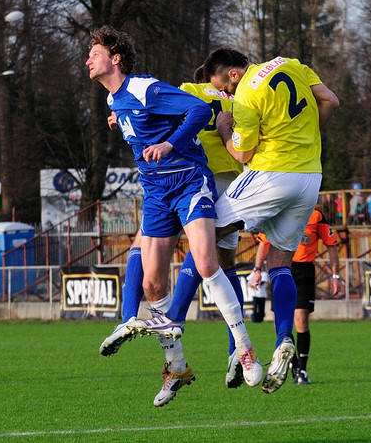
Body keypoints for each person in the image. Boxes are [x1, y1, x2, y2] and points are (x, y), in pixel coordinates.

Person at [86, 27, 262, 405]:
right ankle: (177, 365)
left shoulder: (144, 87)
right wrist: (121, 119)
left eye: (94, 53)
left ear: (115, 59)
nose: (88, 59)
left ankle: (245, 348)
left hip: (188, 182)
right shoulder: (117, 101)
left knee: (205, 260)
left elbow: (197, 110)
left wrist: (170, 143)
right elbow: (139, 122)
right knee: (152, 286)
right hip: (155, 195)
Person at [202, 48, 339, 394]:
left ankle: (172, 321)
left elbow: (242, 154)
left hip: (271, 172)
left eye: (226, 89)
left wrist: (223, 129)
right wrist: (306, 137)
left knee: (203, 231)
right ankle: (283, 339)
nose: (228, 97)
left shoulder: (247, 92)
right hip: (309, 176)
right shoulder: (292, 64)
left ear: (234, 74)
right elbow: (330, 102)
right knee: (280, 264)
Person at [253, 208, 341, 384]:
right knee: (279, 322)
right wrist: (257, 270)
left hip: (303, 272)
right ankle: (293, 366)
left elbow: (331, 245)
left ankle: (302, 369)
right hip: (280, 268)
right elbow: (264, 243)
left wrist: (335, 276)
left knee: (301, 320)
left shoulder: (316, 215)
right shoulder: (277, 211)